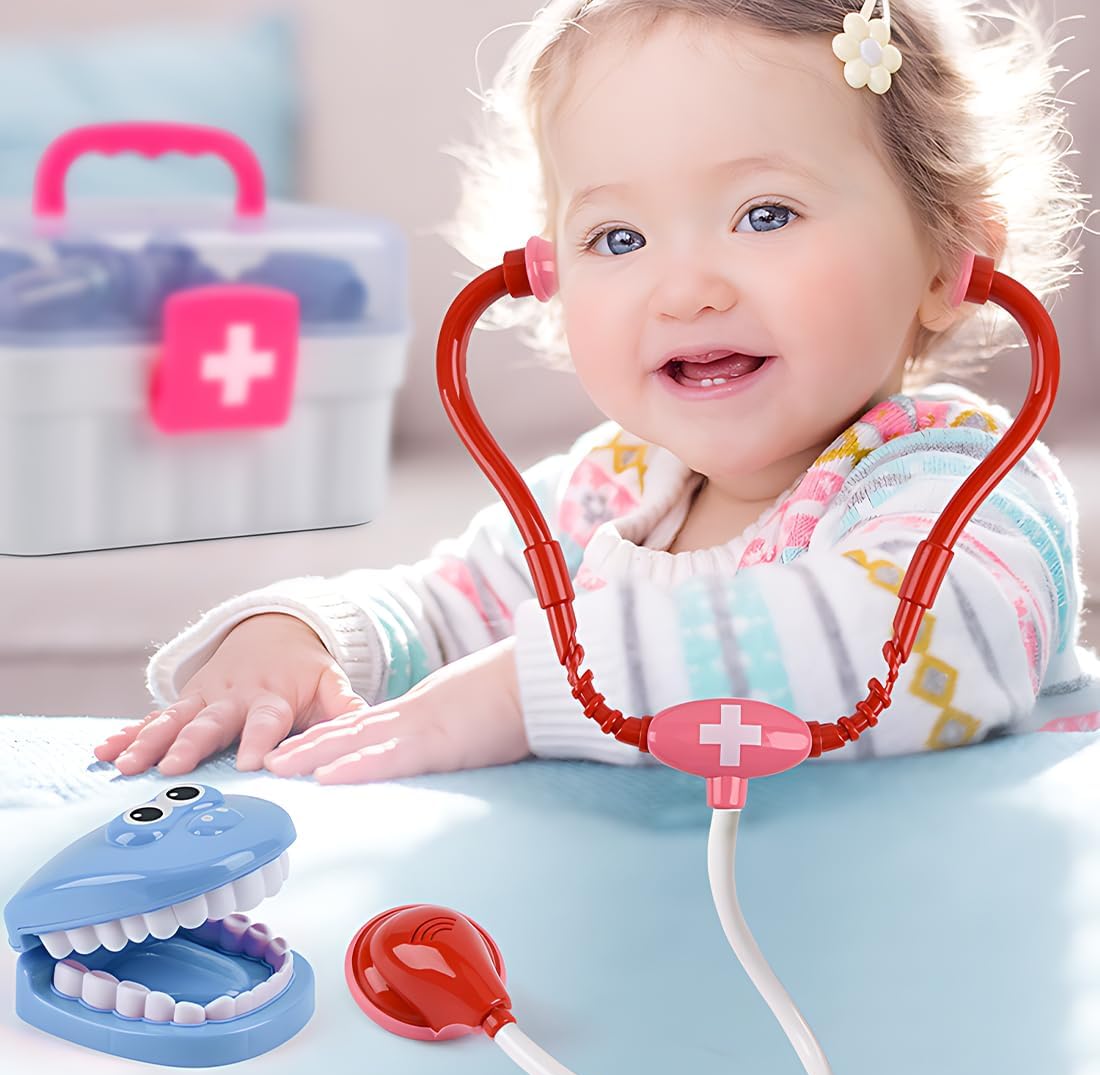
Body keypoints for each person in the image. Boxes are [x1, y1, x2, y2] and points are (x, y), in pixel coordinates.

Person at [95, 0, 1099, 784]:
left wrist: (528, 693)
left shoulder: (957, 484)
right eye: (618, 238)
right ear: (547, 273)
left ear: (947, 257)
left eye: (764, 213)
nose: (685, 289)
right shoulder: (603, 497)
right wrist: (308, 637)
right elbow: (442, 615)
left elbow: (916, 648)